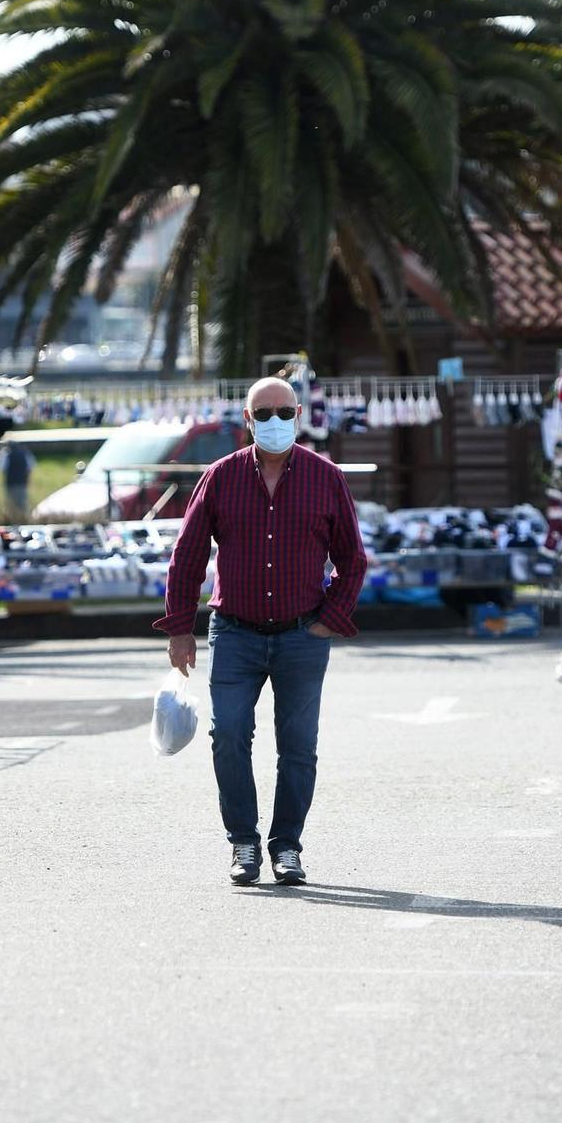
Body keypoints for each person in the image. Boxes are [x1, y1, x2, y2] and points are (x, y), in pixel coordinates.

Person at [156, 377, 368, 887]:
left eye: (283, 412)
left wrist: (328, 620)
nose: (274, 421)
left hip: (302, 635)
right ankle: (244, 843)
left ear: (298, 415)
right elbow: (187, 557)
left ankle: (287, 846)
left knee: (298, 746)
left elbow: (352, 559)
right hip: (235, 632)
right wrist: (180, 629)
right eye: (263, 413)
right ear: (248, 421)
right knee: (227, 734)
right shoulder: (220, 477)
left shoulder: (325, 477)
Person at [0, 416, 34, 521]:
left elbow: (0, 468)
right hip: (23, 482)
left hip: (11, 482)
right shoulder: (25, 452)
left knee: (11, 503)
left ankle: (12, 520)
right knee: (23, 503)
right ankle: (23, 519)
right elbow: (30, 467)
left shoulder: (5, 453)